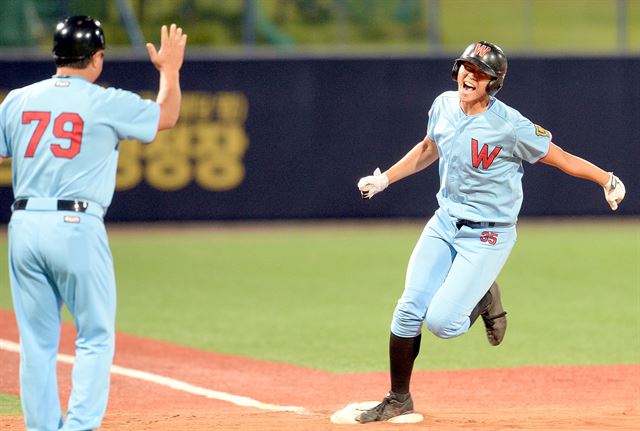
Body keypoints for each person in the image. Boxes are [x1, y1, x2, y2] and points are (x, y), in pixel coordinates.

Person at [355, 41, 626, 423]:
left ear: (493, 82)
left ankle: (484, 298)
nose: (470, 75)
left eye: (480, 72)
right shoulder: (443, 105)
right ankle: (398, 398)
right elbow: (428, 147)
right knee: (408, 309)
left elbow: (561, 157)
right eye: (467, 66)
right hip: (445, 223)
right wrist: (385, 180)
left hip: (488, 235)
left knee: (443, 324)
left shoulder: (510, 126)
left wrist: (605, 179)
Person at [0, 16, 187, 430]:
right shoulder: (104, 101)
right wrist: (170, 72)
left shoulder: (18, 99)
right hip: (75, 224)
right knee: (95, 336)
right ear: (97, 58)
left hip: (24, 225)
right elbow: (167, 116)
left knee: (36, 345)